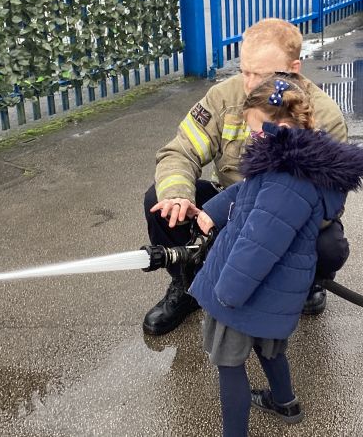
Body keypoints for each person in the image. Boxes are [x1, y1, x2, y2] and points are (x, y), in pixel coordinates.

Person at [184, 75, 363, 436]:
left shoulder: (288, 180)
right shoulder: (287, 161)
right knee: (269, 349)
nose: (251, 136)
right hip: (272, 289)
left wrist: (228, 294)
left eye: (256, 130)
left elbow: (260, 244)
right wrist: (213, 211)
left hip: (249, 290)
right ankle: (285, 402)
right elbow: (249, 189)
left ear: (281, 127)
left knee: (229, 364)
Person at [143, 18, 349, 336]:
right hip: (229, 201)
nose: (250, 85)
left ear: (294, 69)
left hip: (286, 215)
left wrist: (251, 223)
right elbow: (180, 151)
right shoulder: (223, 98)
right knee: (160, 202)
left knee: (329, 245)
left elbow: (325, 204)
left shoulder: (323, 117)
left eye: (262, 75)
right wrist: (178, 195)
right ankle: (187, 284)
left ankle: (306, 285)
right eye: (245, 71)